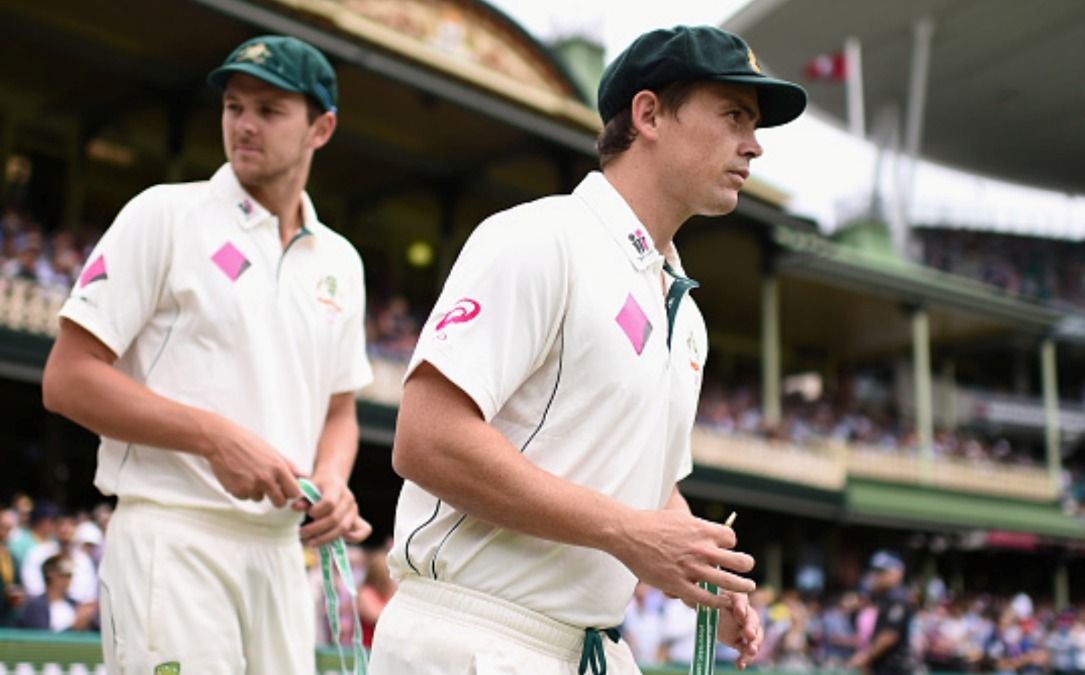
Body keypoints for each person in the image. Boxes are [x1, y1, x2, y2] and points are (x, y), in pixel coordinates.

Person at [369, 24, 806, 675]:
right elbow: (425, 437)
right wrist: (630, 533)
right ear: (649, 114)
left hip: (589, 647)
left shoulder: (686, 318)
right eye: (734, 115)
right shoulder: (540, 238)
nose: (754, 145)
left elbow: (648, 492)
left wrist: (703, 570)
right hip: (471, 635)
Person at [41, 34, 373, 673]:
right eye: (233, 106)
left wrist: (333, 480)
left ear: (321, 129)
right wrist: (216, 438)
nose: (244, 125)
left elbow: (339, 410)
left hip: (281, 555)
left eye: (269, 110)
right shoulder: (163, 215)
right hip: (173, 535)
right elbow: (67, 379)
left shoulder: (343, 262)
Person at [850, 550, 918, 674]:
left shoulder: (897, 599)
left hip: (895, 668)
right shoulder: (885, 598)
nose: (876, 576)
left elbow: (889, 636)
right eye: (875, 571)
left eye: (882, 572)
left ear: (897, 573)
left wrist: (865, 657)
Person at [18, 553, 96, 632]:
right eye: (65, 574)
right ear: (51, 575)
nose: (69, 579)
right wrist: (73, 628)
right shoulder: (35, 606)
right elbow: (41, 639)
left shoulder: (75, 605)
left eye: (70, 575)